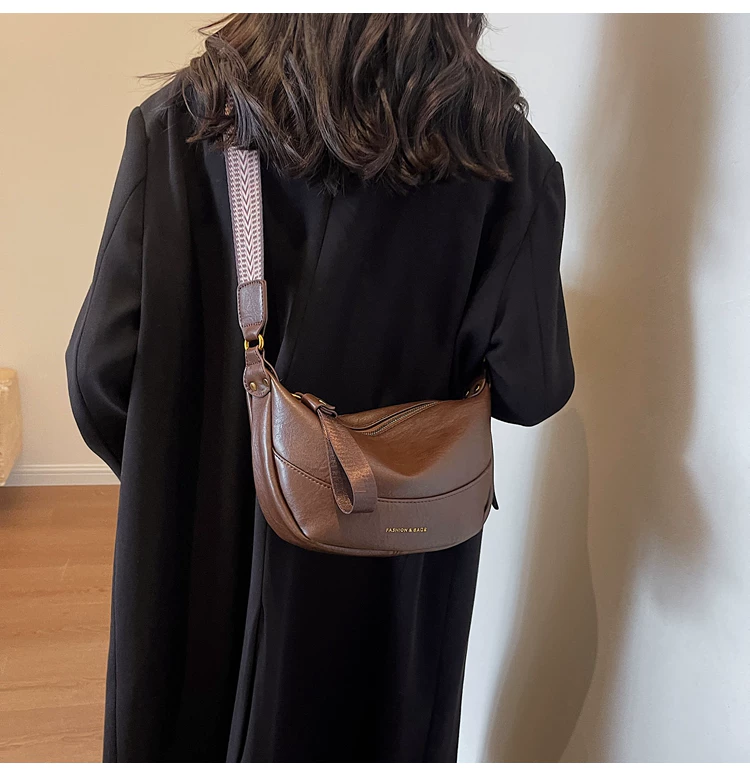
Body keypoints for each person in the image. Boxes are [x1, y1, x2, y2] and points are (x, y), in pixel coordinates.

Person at [66, 13, 575, 763]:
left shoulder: (184, 120)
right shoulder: (503, 151)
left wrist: (184, 474)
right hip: (393, 570)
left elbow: (96, 373)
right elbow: (534, 386)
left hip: (197, 557)